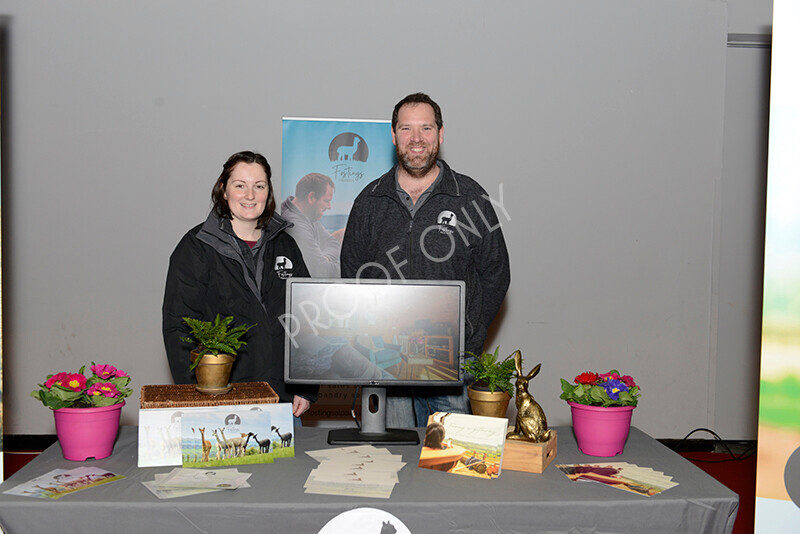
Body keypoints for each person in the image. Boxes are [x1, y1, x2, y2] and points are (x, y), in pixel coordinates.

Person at [340, 93, 511, 427]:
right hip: (386, 362)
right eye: (406, 129)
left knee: (455, 462)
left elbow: (495, 275)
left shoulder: (470, 197)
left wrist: (469, 340)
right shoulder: (369, 201)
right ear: (393, 136)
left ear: (440, 134)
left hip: (452, 362)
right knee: (395, 462)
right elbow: (352, 275)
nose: (416, 138)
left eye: (426, 128)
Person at [163, 150, 317, 417]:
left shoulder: (286, 245)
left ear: (268, 192)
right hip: (219, 399)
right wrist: (195, 397)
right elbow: (179, 328)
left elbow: (307, 317)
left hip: (281, 401)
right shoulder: (196, 248)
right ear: (223, 190)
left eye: (259, 186)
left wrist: (307, 387)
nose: (250, 195)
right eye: (240, 186)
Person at [280, 173, 341, 277]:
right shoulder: (293, 225)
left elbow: (333, 243)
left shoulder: (308, 216)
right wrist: (344, 267)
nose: (329, 206)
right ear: (311, 197)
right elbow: (321, 272)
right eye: (326, 201)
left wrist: (325, 258)